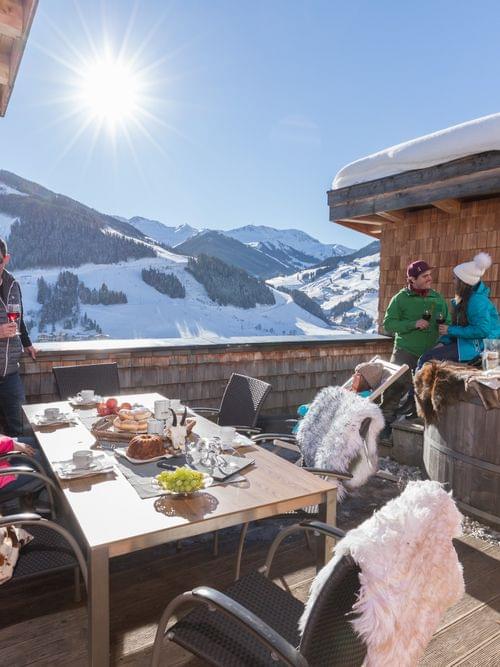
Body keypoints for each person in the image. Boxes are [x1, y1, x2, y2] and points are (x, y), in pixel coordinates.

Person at [381, 260, 450, 428]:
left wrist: (446, 328)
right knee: (394, 388)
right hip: (405, 351)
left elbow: (447, 318)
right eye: (424, 276)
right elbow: (388, 324)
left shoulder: (437, 297)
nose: (429, 278)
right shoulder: (400, 299)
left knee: (423, 390)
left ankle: (414, 419)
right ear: (412, 279)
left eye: (429, 275)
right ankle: (383, 425)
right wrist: (413, 324)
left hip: (430, 354)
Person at [416, 252, 500, 368]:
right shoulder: (465, 299)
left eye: (455, 278)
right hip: (467, 343)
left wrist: (450, 330)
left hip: (480, 347)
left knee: (426, 359)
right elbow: (457, 327)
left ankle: (418, 386)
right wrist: (443, 342)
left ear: (463, 282)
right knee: (427, 356)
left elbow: (482, 330)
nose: (453, 281)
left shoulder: (477, 301)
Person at [0, 237, 37, 436]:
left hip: (10, 374)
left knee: (22, 432)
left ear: (6, 259)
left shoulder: (13, 284)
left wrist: (27, 342)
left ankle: (22, 468)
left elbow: (19, 320)